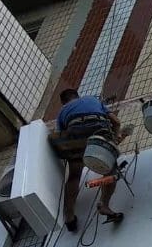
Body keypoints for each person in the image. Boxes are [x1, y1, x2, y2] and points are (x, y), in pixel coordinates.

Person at [52, 88, 129, 231]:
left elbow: (60, 136)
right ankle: (104, 205)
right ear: (78, 96)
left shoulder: (62, 112)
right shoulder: (93, 100)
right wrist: (113, 140)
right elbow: (116, 121)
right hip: (98, 133)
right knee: (110, 169)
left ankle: (69, 217)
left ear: (64, 102)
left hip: (77, 137)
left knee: (74, 175)